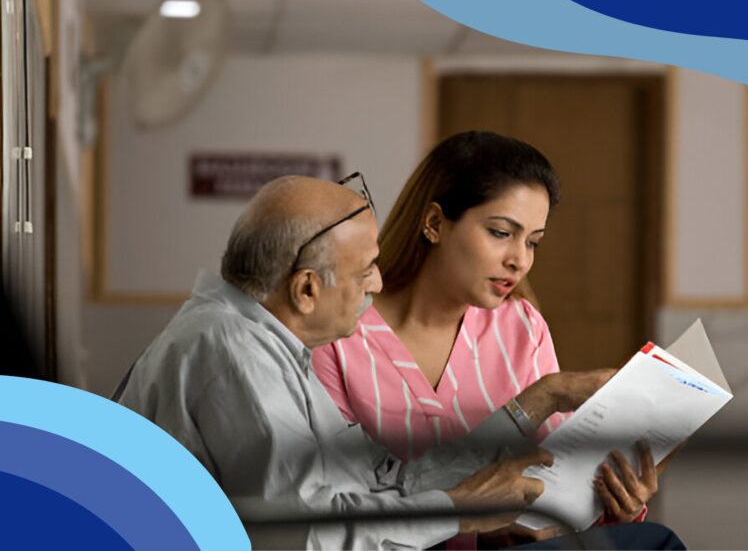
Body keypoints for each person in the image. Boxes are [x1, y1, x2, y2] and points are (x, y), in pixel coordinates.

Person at [112, 174, 616, 549]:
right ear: (307, 288)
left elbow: (384, 477)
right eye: (366, 270)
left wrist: (540, 400)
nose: (377, 285)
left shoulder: (263, 342)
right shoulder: (230, 352)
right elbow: (308, 536)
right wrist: (457, 513)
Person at [312, 132, 659, 538]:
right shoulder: (337, 335)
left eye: (533, 242)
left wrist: (614, 504)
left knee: (649, 539)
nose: (519, 261)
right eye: (500, 233)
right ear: (435, 223)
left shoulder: (523, 329)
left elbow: (554, 483)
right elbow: (333, 505)